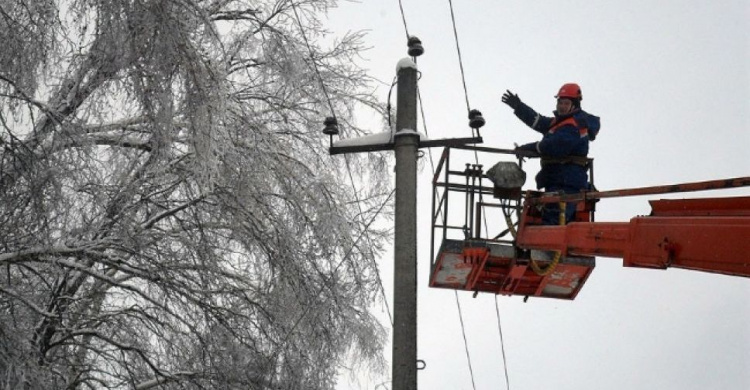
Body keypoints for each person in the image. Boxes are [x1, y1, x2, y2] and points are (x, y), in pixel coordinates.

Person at [501, 83, 601, 225]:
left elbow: (552, 146)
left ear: (575, 105)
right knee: (554, 224)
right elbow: (539, 121)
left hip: (567, 183)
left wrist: (527, 148)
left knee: (554, 226)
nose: (561, 106)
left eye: (565, 103)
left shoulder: (573, 125)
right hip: (559, 180)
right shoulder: (561, 122)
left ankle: (548, 247)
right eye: (559, 102)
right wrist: (518, 106)